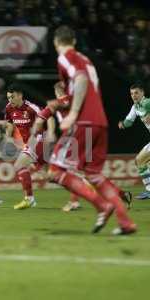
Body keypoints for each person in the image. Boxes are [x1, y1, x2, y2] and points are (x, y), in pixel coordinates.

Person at [35, 26, 136, 235]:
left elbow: (80, 79)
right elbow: (83, 84)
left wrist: (72, 113)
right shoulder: (86, 59)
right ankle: (125, 222)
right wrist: (62, 102)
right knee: (94, 174)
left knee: (54, 171)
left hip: (84, 122)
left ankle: (102, 206)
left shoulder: (66, 57)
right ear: (74, 40)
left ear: (56, 43)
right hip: (100, 122)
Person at [3, 84, 57, 209]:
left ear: (20, 95)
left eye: (12, 97)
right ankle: (79, 184)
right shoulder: (9, 108)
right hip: (30, 144)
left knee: (19, 165)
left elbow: (49, 118)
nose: (10, 100)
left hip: (39, 141)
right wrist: (8, 137)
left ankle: (29, 199)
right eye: (8, 97)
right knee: (48, 176)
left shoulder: (31, 108)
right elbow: (9, 123)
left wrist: (51, 133)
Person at [118, 83, 150, 200]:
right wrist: (122, 124)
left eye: (136, 92)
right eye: (132, 93)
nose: (134, 95)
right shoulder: (135, 107)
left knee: (141, 161)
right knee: (140, 161)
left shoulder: (147, 102)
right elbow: (129, 121)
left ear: (142, 93)